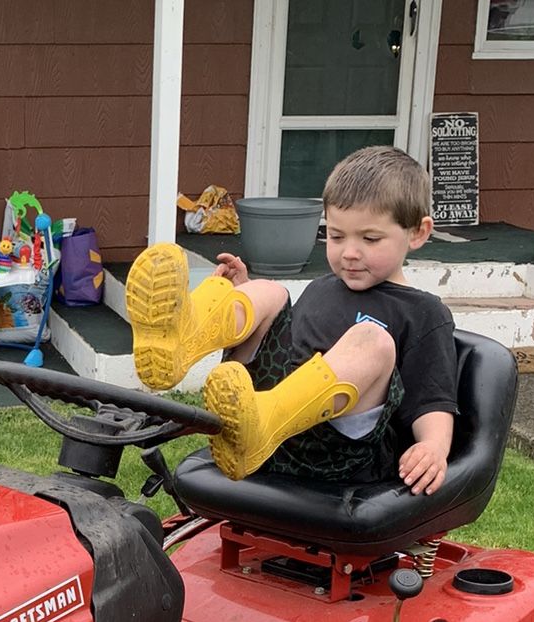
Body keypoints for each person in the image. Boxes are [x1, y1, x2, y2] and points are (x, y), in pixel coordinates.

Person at [128, 146, 457, 493]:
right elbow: (288, 351)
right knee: (271, 292)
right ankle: (182, 339)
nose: (349, 252)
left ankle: (264, 423)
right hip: (261, 436)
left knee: (372, 339)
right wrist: (245, 296)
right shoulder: (323, 287)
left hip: (341, 454)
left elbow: (432, 400)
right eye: (335, 235)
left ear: (418, 233)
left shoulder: (423, 312)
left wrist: (434, 447)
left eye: (370, 239)